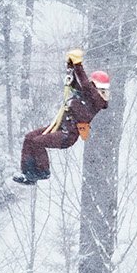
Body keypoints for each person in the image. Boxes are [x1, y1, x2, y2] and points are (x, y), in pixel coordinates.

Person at [16, 49, 109, 185]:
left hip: (67, 135)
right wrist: (70, 65)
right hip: (59, 127)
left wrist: (78, 65)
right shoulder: (87, 94)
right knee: (29, 137)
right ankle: (27, 174)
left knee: (37, 142)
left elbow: (84, 84)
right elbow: (74, 82)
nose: (90, 85)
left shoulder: (97, 100)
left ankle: (43, 171)